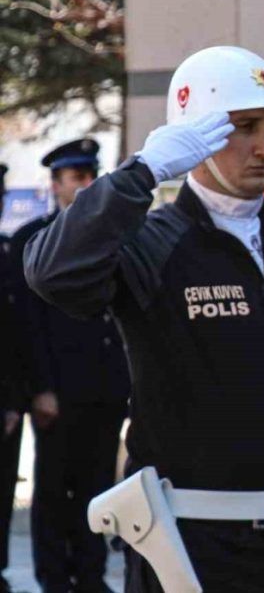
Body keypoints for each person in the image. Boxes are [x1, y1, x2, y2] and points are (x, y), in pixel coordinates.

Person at [23, 46, 264, 593]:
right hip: (186, 549)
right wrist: (142, 173)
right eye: (244, 127)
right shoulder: (151, 244)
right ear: (194, 136)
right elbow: (51, 272)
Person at [8, 141, 131, 593]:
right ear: (55, 184)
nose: (84, 185)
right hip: (59, 390)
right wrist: (40, 387)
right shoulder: (32, 239)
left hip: (106, 388)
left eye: (89, 176)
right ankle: (55, 577)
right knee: (56, 489)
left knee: (99, 488)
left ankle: (91, 573)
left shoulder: (115, 239)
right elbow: (28, 326)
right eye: (75, 177)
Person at [0, 163, 24, 593]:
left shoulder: (7, 250)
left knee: (2, 489)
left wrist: (13, 399)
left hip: (4, 398)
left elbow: (16, 332)